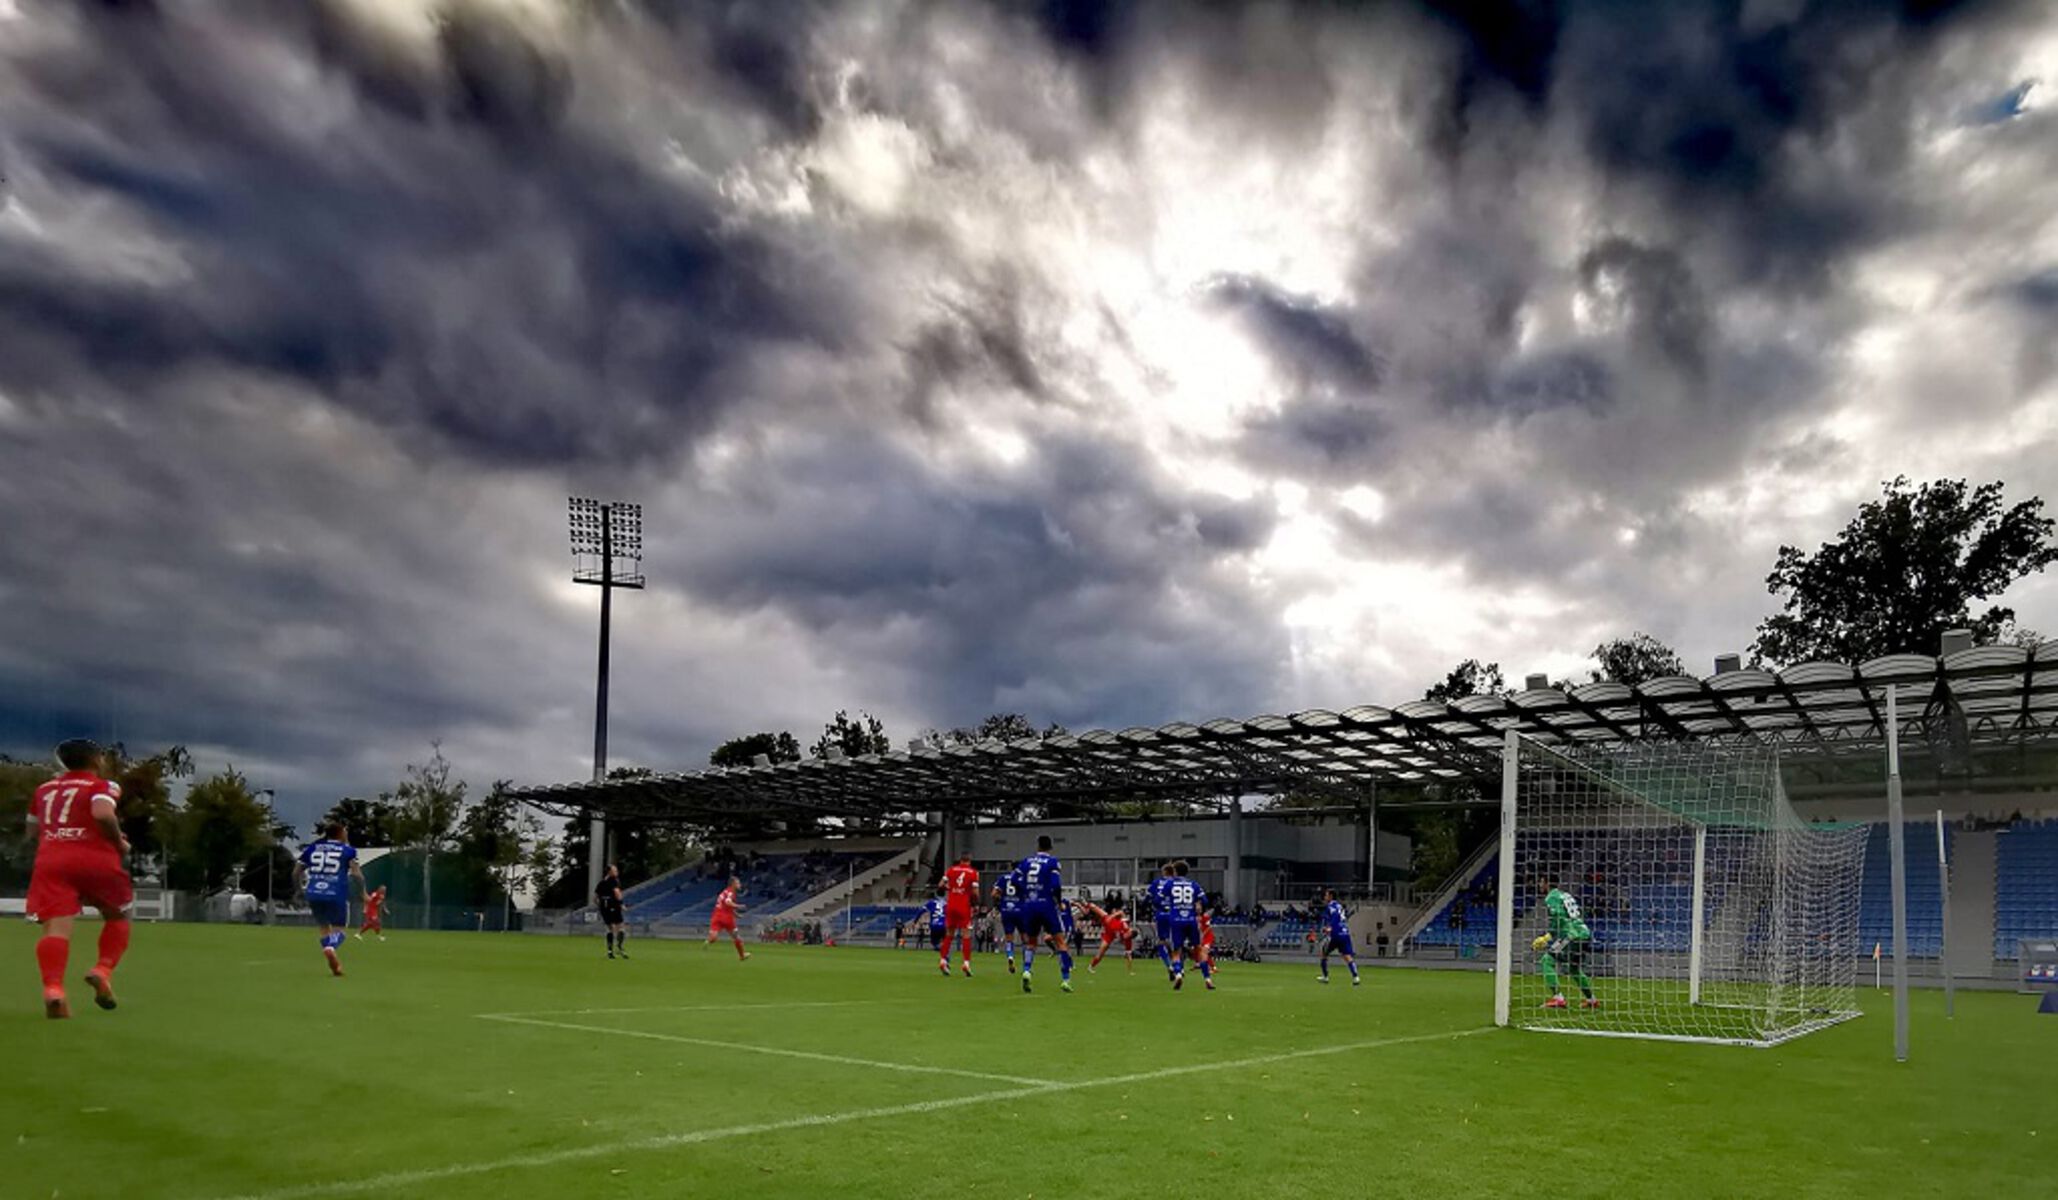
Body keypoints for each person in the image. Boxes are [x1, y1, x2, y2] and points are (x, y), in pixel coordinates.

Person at [25, 739, 135, 1019]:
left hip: (52, 861)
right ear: (97, 760)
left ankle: (54, 990)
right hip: (96, 860)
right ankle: (102, 970)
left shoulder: (43, 790)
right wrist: (119, 842)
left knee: (56, 930)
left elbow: (31, 830)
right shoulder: (103, 786)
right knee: (118, 915)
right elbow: (102, 812)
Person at [296, 821, 365, 979]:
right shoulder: (348, 851)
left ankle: (335, 965)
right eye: (345, 831)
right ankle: (330, 948)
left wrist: (299, 891)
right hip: (335, 894)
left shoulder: (312, 849)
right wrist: (363, 893)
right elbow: (356, 874)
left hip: (313, 893)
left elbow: (296, 872)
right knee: (340, 930)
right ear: (340, 833)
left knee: (324, 928)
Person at [1015, 835, 1073, 994]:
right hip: (1046, 904)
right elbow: (1056, 884)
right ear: (1050, 847)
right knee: (1060, 942)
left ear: (1038, 846)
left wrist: (1025, 892)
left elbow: (1014, 880)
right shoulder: (1053, 862)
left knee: (1031, 942)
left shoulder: (1026, 861)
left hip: (1029, 904)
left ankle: (1027, 970)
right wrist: (1059, 901)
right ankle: (1065, 980)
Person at [1534, 880, 1597, 1008]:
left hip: (1570, 935)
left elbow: (1558, 917)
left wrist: (1547, 937)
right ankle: (1591, 1000)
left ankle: (1558, 998)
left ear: (1547, 882)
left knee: (1547, 960)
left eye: (1541, 881)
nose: (1539, 885)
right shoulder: (1565, 895)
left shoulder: (1552, 897)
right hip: (1584, 933)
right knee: (1574, 968)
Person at [1163, 861, 1213, 991]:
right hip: (1191, 920)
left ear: (1175, 872)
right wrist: (1197, 907)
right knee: (1198, 949)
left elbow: (1160, 898)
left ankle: (1178, 974)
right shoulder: (1193, 884)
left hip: (1176, 920)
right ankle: (1207, 979)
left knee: (1176, 951)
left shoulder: (1170, 883)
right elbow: (1205, 901)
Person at [941, 853, 980, 977]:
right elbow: (974, 892)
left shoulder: (951, 870)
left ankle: (943, 960)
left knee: (949, 934)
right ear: (969, 861)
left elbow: (941, 885)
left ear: (960, 860)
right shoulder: (973, 872)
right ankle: (966, 963)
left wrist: (951, 889)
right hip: (964, 906)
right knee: (966, 935)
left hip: (951, 904)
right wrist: (975, 904)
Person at [1317, 889, 1361, 986]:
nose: (1325, 897)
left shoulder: (1331, 906)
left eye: (1326, 895)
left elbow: (1335, 916)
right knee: (1347, 956)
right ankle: (1356, 977)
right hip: (1345, 933)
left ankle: (1325, 977)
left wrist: (1329, 927)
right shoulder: (1340, 906)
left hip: (1335, 933)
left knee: (1323, 954)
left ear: (1331, 896)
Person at [1083, 898, 1134, 974]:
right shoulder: (1125, 924)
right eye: (1129, 932)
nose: (1127, 934)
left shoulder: (1128, 941)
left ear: (1130, 936)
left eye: (1128, 935)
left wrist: (1130, 970)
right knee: (1095, 908)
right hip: (1108, 920)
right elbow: (1120, 912)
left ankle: (1091, 967)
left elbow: (1129, 956)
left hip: (1109, 935)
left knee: (1101, 952)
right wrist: (1111, 916)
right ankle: (1084, 903)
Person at [707, 876, 750, 961]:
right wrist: (739, 906)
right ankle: (742, 955)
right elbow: (728, 902)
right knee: (737, 938)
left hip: (717, 916)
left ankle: (709, 940)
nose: (739, 885)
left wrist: (736, 915)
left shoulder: (724, 892)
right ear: (733, 884)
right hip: (727, 918)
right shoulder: (731, 892)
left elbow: (725, 906)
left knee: (714, 937)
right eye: (738, 883)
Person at [1146, 862, 1178, 980]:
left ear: (1164, 872)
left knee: (1161, 941)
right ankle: (1178, 967)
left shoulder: (1157, 882)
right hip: (1175, 915)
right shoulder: (1177, 883)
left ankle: (1169, 966)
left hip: (1161, 914)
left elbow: (1148, 898)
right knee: (1175, 942)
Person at [993, 866, 1026, 973]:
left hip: (1006, 910)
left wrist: (1001, 901)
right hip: (1020, 911)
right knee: (1025, 937)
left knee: (1009, 937)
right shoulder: (1023, 878)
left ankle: (1010, 956)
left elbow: (994, 894)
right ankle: (1026, 965)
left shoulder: (1003, 878)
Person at [597, 864, 628, 959]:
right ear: (609, 872)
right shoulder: (613, 881)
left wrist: (602, 906)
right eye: (615, 870)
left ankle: (610, 951)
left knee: (609, 928)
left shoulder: (601, 882)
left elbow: (595, 898)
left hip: (604, 907)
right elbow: (617, 892)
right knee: (621, 926)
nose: (616, 872)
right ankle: (619, 947)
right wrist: (621, 904)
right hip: (614, 905)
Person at [917, 886, 948, 959]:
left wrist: (915, 921)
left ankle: (941, 951)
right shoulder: (947, 903)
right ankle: (945, 955)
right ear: (944, 895)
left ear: (936, 894)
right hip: (944, 926)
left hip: (934, 925)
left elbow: (921, 911)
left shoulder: (931, 902)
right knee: (946, 941)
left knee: (934, 942)